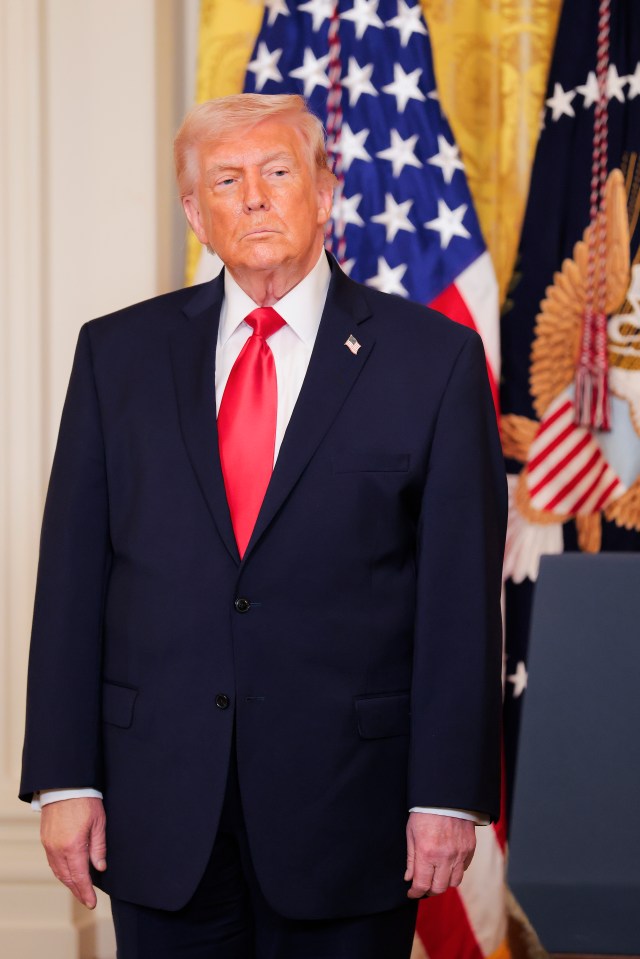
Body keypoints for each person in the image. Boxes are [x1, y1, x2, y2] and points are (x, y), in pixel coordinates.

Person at [20, 93, 506, 959]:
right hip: (157, 808)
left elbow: (459, 604)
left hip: (352, 814)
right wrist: (65, 778)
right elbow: (71, 582)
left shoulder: (433, 361)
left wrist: (445, 795)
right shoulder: (115, 356)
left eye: (278, 172)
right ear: (194, 212)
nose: (253, 197)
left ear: (324, 192)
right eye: (226, 181)